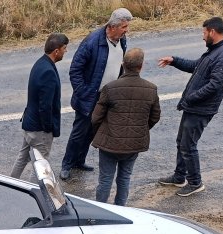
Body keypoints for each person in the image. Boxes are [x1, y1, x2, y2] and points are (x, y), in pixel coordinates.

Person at [156, 17, 223, 197]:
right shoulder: (215, 51)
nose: (202, 36)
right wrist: (174, 60)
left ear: (212, 32)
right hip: (194, 106)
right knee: (182, 142)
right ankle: (179, 177)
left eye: (204, 32)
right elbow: (195, 66)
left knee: (188, 145)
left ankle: (195, 182)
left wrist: (192, 98)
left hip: (202, 108)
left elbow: (215, 85)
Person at [59, 8, 131, 181]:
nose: (126, 30)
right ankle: (66, 165)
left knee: (92, 131)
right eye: (124, 27)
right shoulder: (92, 42)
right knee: (79, 132)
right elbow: (75, 70)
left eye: (127, 27)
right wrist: (84, 93)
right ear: (112, 26)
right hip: (89, 97)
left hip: (106, 96)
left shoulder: (122, 40)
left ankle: (79, 161)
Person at [90, 48, 160, 206]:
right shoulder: (151, 89)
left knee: (105, 179)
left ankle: (101, 209)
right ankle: (120, 208)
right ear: (141, 66)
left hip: (109, 144)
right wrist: (140, 129)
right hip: (133, 145)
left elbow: (95, 118)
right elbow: (154, 117)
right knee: (124, 178)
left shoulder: (110, 88)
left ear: (123, 65)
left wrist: (102, 132)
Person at [9, 33, 69, 180]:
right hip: (39, 130)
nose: (65, 52)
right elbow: (45, 105)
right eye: (64, 48)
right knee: (40, 165)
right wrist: (48, 128)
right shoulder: (48, 71)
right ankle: (33, 194)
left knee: (23, 157)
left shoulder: (40, 63)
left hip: (29, 123)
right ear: (56, 51)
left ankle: (10, 182)